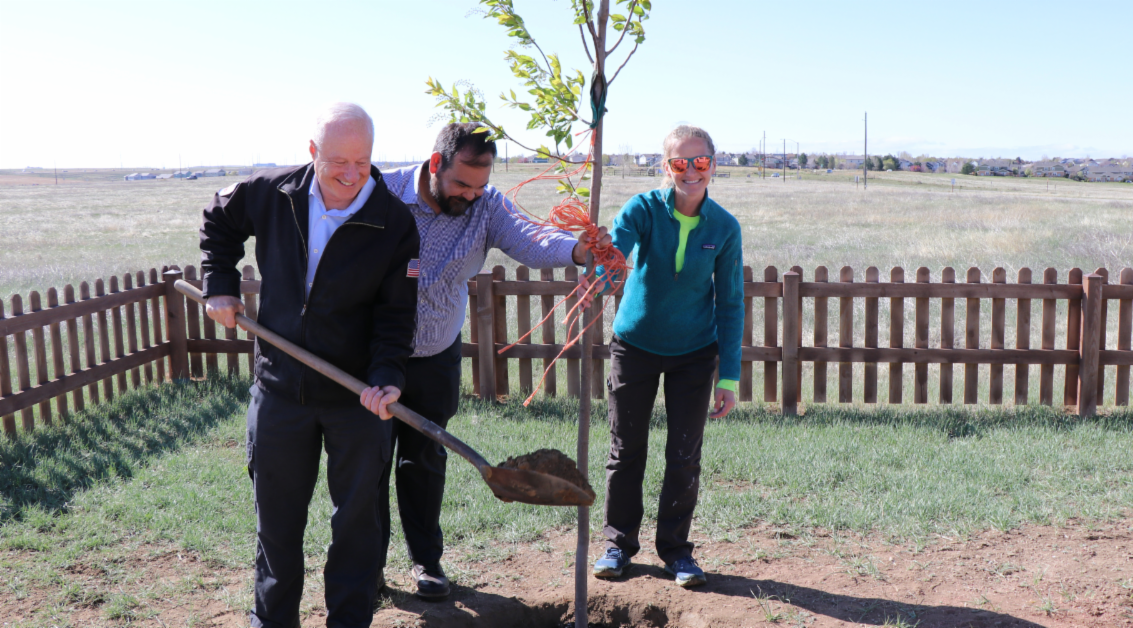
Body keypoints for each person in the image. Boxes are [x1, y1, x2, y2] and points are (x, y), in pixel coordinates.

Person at [200, 103, 420, 628]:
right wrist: (221, 285)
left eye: (362, 163)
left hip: (356, 400)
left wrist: (387, 378)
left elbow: (396, 315)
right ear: (312, 152)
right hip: (279, 390)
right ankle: (273, 621)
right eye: (337, 161)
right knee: (276, 522)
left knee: (356, 526)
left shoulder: (393, 223)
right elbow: (220, 221)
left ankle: (348, 621)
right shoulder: (273, 194)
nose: (350, 174)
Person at [378, 122, 607, 600]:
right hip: (376, 356)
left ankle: (426, 563)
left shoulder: (486, 205)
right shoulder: (384, 192)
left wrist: (575, 250)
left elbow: (528, 239)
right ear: (435, 163)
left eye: (480, 184)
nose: (471, 194)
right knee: (367, 462)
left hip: (436, 355)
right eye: (462, 183)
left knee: (423, 460)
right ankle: (366, 567)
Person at [592, 125, 743, 588]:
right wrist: (603, 262)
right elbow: (618, 249)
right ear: (667, 167)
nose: (691, 171)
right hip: (634, 346)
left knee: (683, 455)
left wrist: (729, 377)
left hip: (693, 355)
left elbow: (730, 303)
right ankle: (618, 543)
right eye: (681, 162)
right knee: (626, 449)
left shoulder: (724, 227)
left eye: (700, 162)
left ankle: (676, 551)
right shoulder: (643, 209)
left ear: (712, 166)